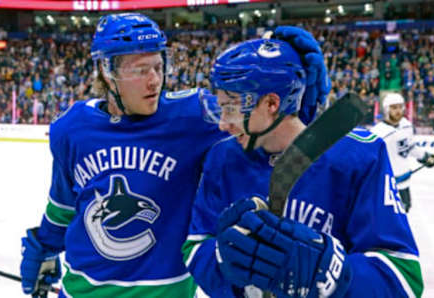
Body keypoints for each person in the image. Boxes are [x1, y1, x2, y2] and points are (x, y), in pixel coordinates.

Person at [19, 14, 329, 297]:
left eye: (158, 66)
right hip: (80, 291)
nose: (155, 80)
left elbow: (263, 119)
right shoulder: (70, 128)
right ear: (106, 70)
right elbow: (63, 205)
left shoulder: (195, 115)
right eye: (141, 70)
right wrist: (44, 245)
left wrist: (290, 89)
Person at [182, 37, 424, 297]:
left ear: (272, 103)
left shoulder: (359, 156)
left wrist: (337, 276)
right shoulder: (222, 157)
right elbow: (196, 246)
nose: (222, 124)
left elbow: (404, 278)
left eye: (231, 107)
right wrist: (224, 259)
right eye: (220, 109)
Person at [371, 93, 434, 212]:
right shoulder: (378, 133)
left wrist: (425, 157)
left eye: (400, 107)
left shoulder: (406, 125)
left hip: (404, 182)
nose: (398, 111)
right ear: (387, 109)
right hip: (386, 184)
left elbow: (410, 147)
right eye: (394, 107)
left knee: (404, 213)